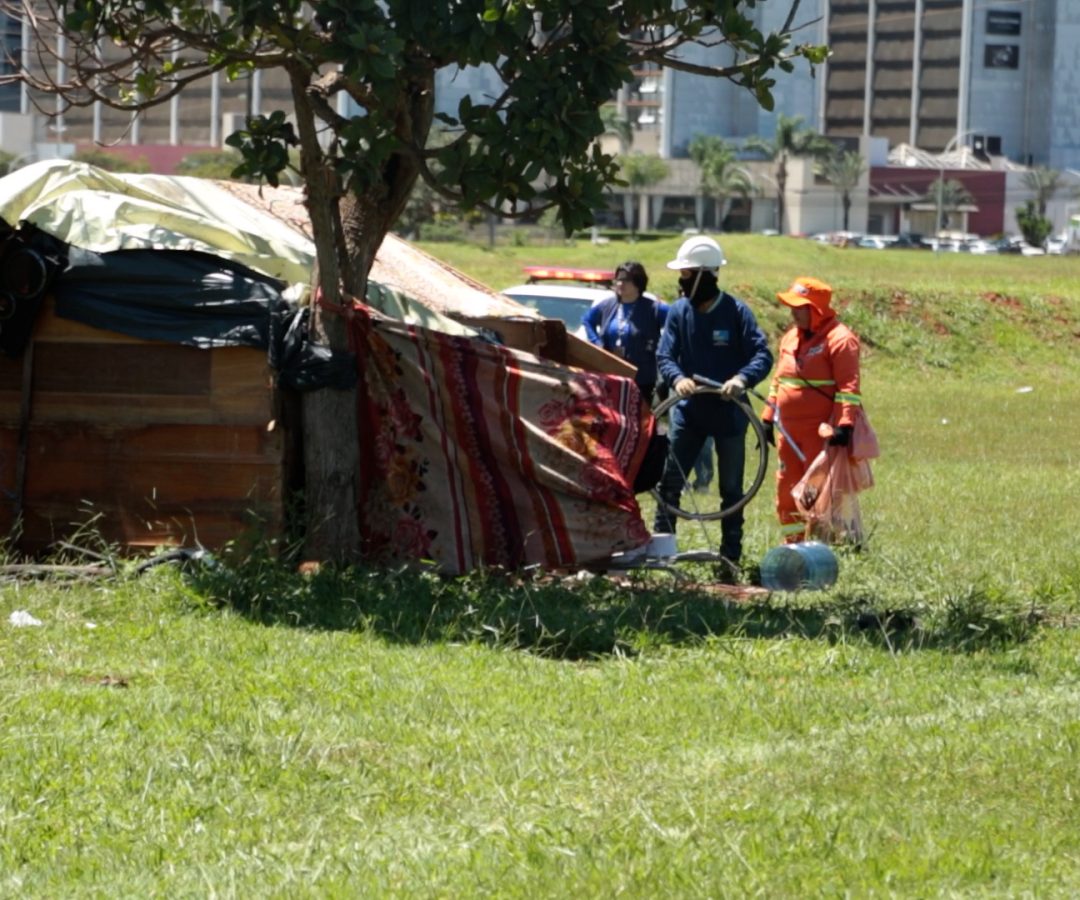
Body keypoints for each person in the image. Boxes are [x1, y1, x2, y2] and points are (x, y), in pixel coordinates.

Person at [653, 235, 773, 568]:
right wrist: (678, 378)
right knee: (670, 484)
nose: (682, 280)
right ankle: (662, 556)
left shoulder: (736, 312)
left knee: (732, 491)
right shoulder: (678, 312)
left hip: (730, 416)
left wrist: (741, 379)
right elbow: (665, 354)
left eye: (687, 274)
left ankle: (729, 558)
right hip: (689, 414)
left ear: (707, 274)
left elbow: (762, 354)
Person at [760, 276, 862, 542]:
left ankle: (820, 550)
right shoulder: (789, 338)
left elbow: (848, 388)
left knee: (818, 494)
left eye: (799, 307)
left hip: (820, 437)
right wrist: (767, 417)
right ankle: (792, 548)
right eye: (792, 306)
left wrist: (845, 425)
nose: (793, 312)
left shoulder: (841, 339)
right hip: (788, 434)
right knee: (786, 491)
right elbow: (778, 380)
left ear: (816, 310)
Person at [582, 260, 668, 403]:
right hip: (610, 375)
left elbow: (675, 324)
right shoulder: (608, 305)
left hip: (642, 379)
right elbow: (587, 320)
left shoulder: (654, 309)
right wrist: (596, 343)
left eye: (626, 280)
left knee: (638, 420)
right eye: (618, 279)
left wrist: (665, 348)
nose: (620, 284)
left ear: (638, 282)